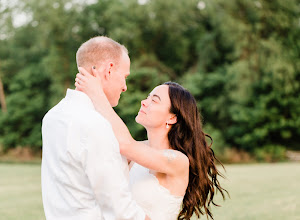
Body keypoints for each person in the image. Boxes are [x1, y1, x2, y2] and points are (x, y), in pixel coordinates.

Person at [75, 68, 227, 220]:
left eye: (154, 100)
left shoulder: (178, 161)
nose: (144, 102)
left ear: (172, 118)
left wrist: (97, 94)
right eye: (147, 97)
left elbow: (125, 144)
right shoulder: (135, 153)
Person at [41, 36, 150, 220]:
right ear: (108, 70)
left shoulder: (52, 116)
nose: (125, 87)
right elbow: (118, 207)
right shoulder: (95, 124)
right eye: (124, 77)